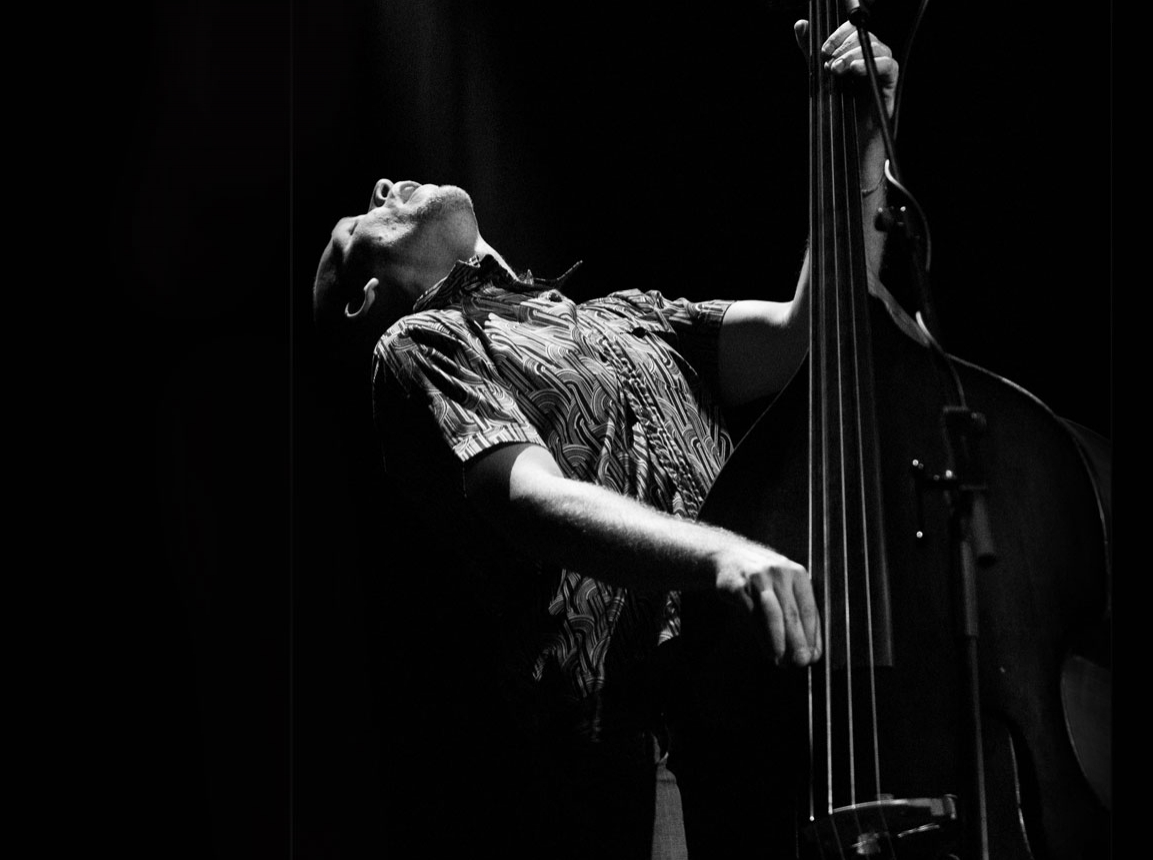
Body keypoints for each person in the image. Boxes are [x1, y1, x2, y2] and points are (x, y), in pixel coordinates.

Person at [312, 19, 900, 859]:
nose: (382, 184)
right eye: (356, 222)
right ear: (362, 297)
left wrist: (862, 138)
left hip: (756, 706)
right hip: (636, 743)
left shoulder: (626, 315)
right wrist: (723, 554)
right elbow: (531, 497)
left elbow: (812, 331)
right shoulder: (419, 343)